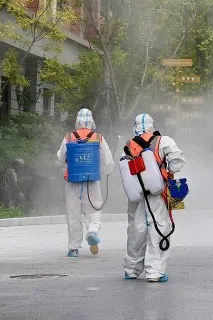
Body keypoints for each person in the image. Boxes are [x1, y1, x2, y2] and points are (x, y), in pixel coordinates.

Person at [122, 113, 186, 282]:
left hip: (136, 195)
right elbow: (178, 161)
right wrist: (167, 173)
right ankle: (154, 271)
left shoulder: (130, 144)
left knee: (136, 230)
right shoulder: (163, 141)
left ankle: (131, 269)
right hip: (157, 194)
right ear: (152, 126)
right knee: (159, 228)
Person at [57, 108, 115, 257]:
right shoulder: (98, 138)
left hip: (73, 181)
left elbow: (60, 157)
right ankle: (92, 231)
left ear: (77, 121)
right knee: (94, 210)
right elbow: (107, 161)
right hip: (92, 182)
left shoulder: (69, 137)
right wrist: (107, 170)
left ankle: (73, 248)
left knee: (73, 214)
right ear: (91, 122)